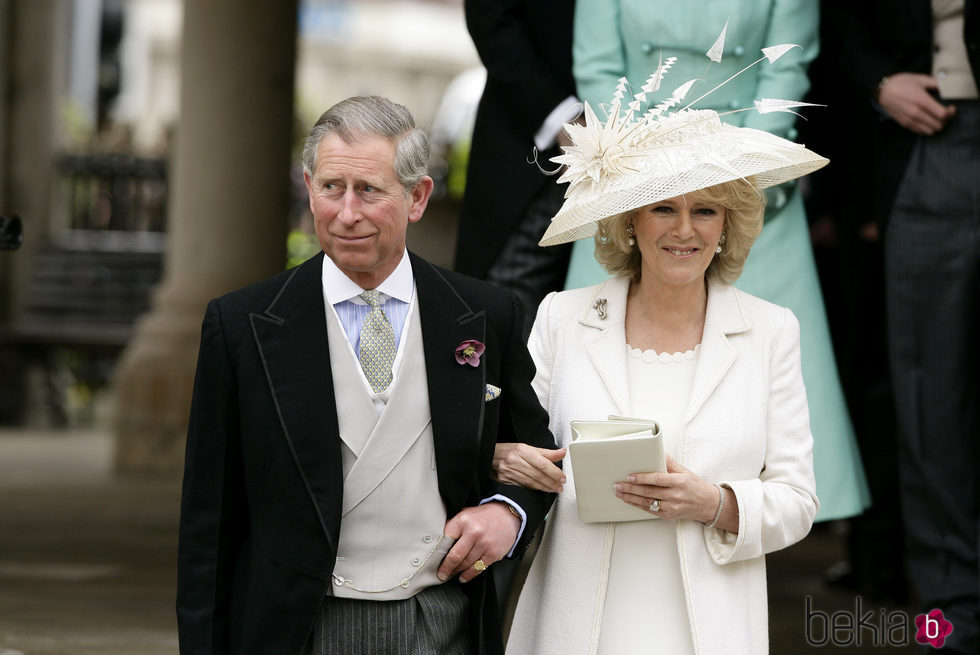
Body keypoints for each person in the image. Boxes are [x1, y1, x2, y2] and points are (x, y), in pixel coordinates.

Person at [175, 96, 558, 655]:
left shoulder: (486, 314)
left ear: (418, 196)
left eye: (370, 191)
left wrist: (507, 512)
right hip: (298, 627)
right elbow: (209, 522)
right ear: (309, 188)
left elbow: (533, 456)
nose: (347, 213)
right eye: (331, 188)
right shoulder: (241, 326)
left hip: (443, 621)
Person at [499, 66, 824, 653]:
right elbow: (508, 449)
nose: (684, 230)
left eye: (705, 211)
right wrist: (512, 461)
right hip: (578, 624)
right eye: (663, 209)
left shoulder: (772, 331)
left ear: (727, 226)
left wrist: (716, 504)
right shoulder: (561, 318)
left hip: (708, 627)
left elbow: (797, 501)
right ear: (630, 222)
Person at [562, 0, 869, 521]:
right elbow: (598, 69)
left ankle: (741, 510)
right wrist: (649, 172)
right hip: (636, 178)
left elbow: (784, 67)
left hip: (744, 183)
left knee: (754, 359)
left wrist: (733, 180)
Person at [832, 3, 979, 651]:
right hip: (925, 143)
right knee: (926, 394)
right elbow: (837, 16)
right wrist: (877, 82)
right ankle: (948, 617)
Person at [454, 0, 577, 337]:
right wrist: (562, 118)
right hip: (529, 146)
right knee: (501, 321)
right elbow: (489, 15)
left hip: (644, 148)